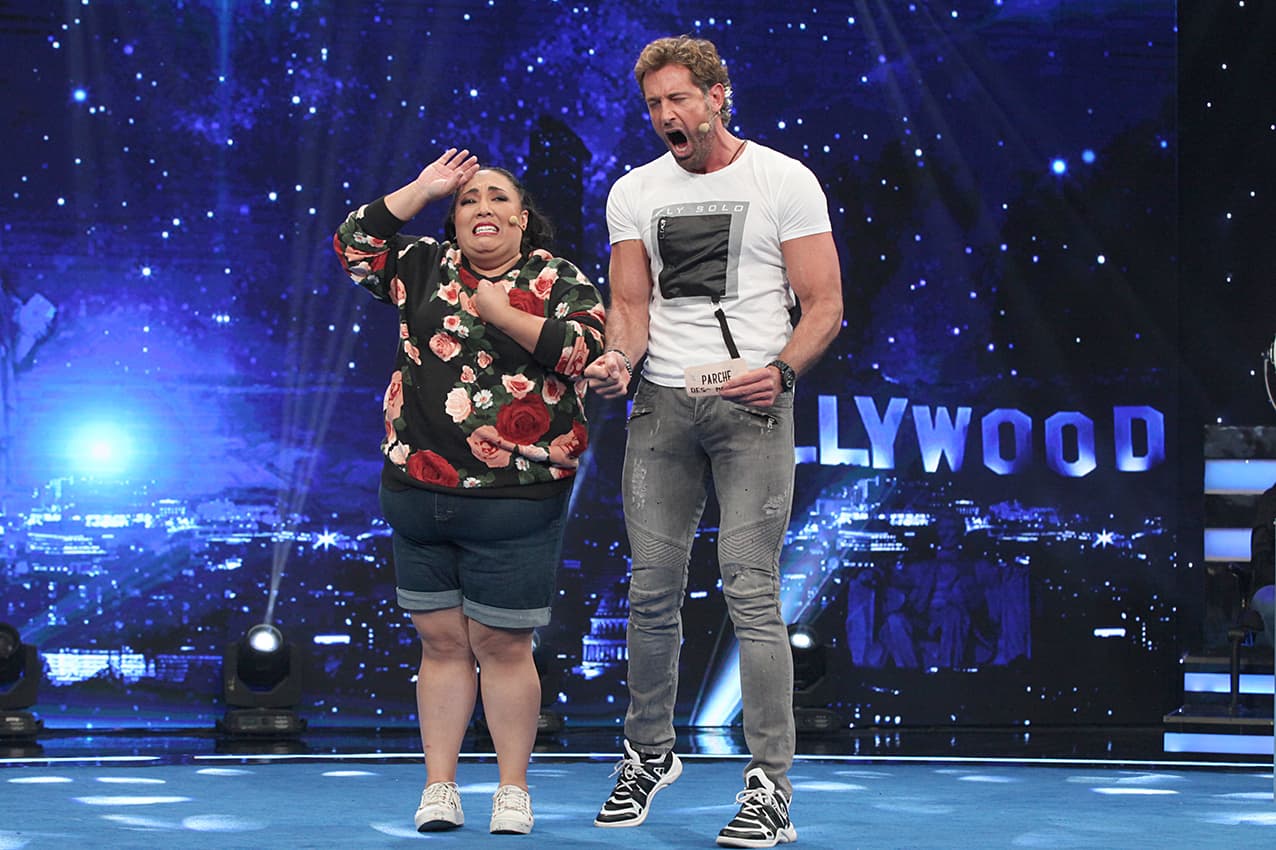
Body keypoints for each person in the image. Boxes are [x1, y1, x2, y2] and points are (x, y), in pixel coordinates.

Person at [583, 36, 843, 849]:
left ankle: (770, 786)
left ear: (718, 95)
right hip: (663, 403)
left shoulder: (783, 179)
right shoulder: (634, 192)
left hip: (751, 405)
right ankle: (648, 754)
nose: (667, 115)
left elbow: (825, 303)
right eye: (654, 104)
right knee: (652, 589)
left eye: (679, 99)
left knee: (750, 588)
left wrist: (785, 372)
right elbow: (630, 306)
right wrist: (618, 361)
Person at [333, 149, 606, 836]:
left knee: (503, 645)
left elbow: (587, 352)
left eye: (496, 198)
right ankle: (440, 787)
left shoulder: (558, 278)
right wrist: (421, 188)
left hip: (518, 495)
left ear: (521, 217)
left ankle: (512, 790)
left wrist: (506, 314)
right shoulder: (422, 265)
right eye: (467, 200)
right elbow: (353, 244)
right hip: (420, 487)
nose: (481, 208)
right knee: (443, 644)